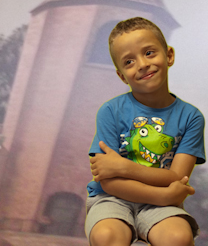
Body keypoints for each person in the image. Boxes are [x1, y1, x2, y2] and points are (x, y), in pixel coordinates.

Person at [86, 17, 205, 246]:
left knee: (179, 238)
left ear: (169, 56)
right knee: (107, 236)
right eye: (129, 61)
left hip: (161, 207)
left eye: (149, 53)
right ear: (122, 75)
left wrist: (124, 167)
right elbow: (108, 182)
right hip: (113, 199)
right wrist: (164, 195)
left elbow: (177, 177)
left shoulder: (191, 117)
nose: (142, 64)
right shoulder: (110, 111)